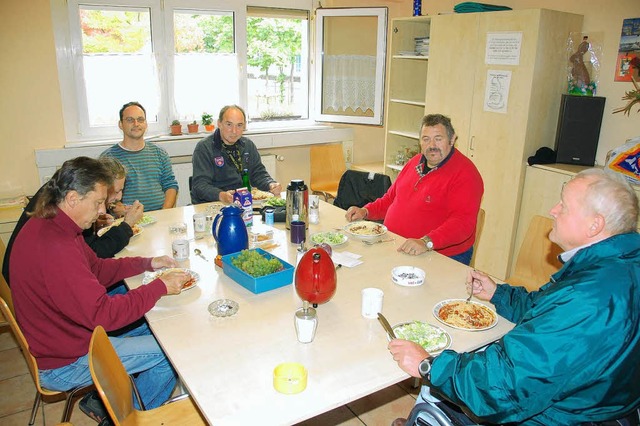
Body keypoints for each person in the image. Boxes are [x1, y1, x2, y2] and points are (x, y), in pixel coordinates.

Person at [389, 168, 640, 425]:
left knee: (435, 392)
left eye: (564, 206)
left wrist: (428, 366)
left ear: (594, 224)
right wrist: (499, 293)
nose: (553, 210)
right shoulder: (618, 266)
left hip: (563, 417)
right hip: (605, 404)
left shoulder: (588, 297)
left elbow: (501, 389)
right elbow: (548, 312)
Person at [9, 157, 192, 419]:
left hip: (66, 335)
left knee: (159, 321)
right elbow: (104, 314)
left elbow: (97, 269)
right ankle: (127, 419)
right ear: (73, 198)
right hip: (65, 361)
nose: (101, 211)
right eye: (97, 203)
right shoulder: (55, 247)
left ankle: (125, 400)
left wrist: (148, 263)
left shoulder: (56, 224)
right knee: (174, 349)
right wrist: (159, 287)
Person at [345, 114, 483, 265]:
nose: (432, 145)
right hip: (396, 243)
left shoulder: (466, 174)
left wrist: (426, 242)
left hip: (439, 254)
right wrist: (365, 211)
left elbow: (462, 224)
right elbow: (391, 199)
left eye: (438, 138)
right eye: (426, 139)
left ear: (452, 139)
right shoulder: (414, 162)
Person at [2, 157, 143, 286]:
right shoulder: (68, 223)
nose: (119, 197)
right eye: (116, 191)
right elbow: (96, 253)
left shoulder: (58, 192)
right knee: (133, 285)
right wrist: (126, 226)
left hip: (27, 285)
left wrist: (145, 263)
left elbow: (93, 264)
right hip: (30, 292)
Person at [191, 105, 282, 204]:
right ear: (219, 124)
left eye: (239, 125)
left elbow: (258, 174)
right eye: (229, 124)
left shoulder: (248, 145)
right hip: (213, 203)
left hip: (243, 202)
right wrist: (221, 195)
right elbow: (200, 185)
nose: (234, 131)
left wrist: (271, 184)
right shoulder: (204, 148)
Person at [101, 101, 178, 211]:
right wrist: (116, 209)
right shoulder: (108, 158)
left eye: (140, 120)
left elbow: (170, 185)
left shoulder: (160, 153)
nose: (136, 124)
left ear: (146, 124)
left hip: (159, 215)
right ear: (120, 124)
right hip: (125, 221)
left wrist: (164, 212)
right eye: (130, 120)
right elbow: (101, 195)